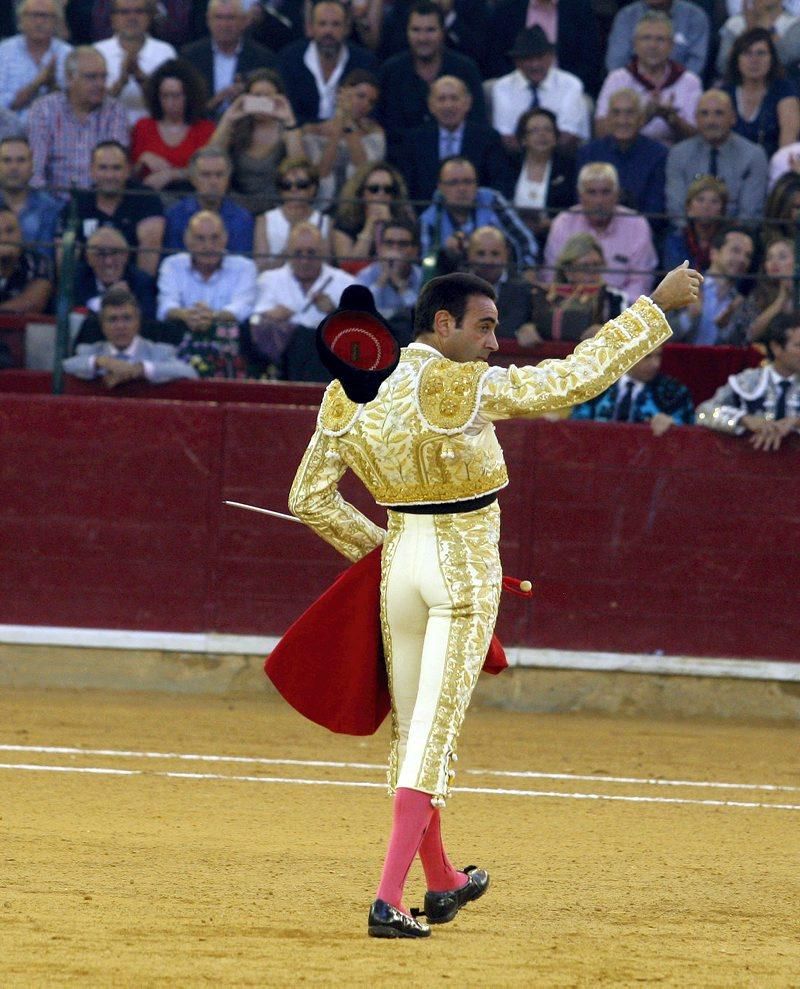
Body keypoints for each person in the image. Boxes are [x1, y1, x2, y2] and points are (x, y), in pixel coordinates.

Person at [286, 261, 702, 939]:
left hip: (401, 568)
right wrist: (653, 308)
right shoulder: (459, 384)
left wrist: (379, 553)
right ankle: (388, 899)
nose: (494, 342)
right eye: (485, 326)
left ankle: (442, 877)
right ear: (443, 324)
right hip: (461, 572)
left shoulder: (348, 392)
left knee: (414, 729)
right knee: (434, 734)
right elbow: (574, 378)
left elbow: (308, 499)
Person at [377, 0, 486, 158]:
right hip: (403, 163)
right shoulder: (390, 72)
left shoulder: (465, 70)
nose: (422, 38)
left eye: (430, 30)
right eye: (416, 30)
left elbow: (477, 124)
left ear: (443, 32)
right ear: (406, 32)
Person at [251, 221, 355, 380]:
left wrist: (334, 312)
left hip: (328, 364)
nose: (304, 261)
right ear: (288, 252)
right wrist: (270, 316)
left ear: (324, 252)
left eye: (311, 253)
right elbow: (254, 322)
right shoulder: (269, 280)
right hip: (282, 362)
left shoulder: (347, 284)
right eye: (298, 253)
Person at [543, 163, 658, 300]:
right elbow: (552, 277)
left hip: (622, 311)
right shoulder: (563, 223)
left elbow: (640, 284)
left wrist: (612, 305)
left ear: (617, 195)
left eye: (606, 192)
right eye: (592, 192)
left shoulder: (637, 225)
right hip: (570, 306)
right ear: (580, 195)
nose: (599, 201)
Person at [27, 46, 130, 196]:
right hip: (53, 202)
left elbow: (115, 170)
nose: (100, 84)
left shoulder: (115, 111)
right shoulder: (44, 109)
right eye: (91, 77)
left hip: (99, 202)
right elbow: (36, 171)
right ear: (70, 78)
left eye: (103, 77)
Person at [398, 75, 512, 204]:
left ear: (468, 103)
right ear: (430, 105)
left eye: (454, 98)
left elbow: (499, 184)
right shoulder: (415, 140)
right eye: (441, 99)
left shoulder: (488, 138)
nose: (448, 105)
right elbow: (407, 185)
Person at [58, 140, 165, 277]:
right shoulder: (77, 204)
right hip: (87, 287)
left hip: (132, 287)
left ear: (128, 170)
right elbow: (65, 257)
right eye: (103, 168)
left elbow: (151, 245)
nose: (109, 175)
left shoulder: (145, 198)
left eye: (116, 168)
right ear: (92, 171)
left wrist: (137, 292)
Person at [595, 12, 701, 149]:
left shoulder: (689, 81)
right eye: (646, 38)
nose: (653, 45)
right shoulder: (617, 79)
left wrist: (672, 119)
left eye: (660, 39)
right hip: (627, 152)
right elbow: (601, 132)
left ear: (672, 45)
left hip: (675, 155)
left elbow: (699, 137)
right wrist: (645, 116)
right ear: (634, 44)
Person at [696, 311, 800, 450]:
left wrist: (797, 422)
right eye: (798, 345)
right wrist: (744, 420)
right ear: (776, 348)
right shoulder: (749, 381)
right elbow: (703, 412)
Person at [419, 157, 539, 275]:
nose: (462, 189)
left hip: (498, 285)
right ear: (440, 187)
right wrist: (445, 254)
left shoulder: (492, 201)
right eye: (453, 183)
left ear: (477, 184)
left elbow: (526, 241)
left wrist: (527, 271)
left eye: (468, 182)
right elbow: (425, 267)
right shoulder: (429, 220)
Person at [209, 68, 305, 216]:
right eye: (257, 96)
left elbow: (300, 169)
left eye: (268, 96)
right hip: (235, 207)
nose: (262, 101)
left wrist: (289, 120)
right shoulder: (236, 127)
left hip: (276, 209)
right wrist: (229, 117)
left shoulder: (287, 130)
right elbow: (209, 158)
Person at [665, 89, 769, 223]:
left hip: (737, 235)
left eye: (719, 113)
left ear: (733, 118)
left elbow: (749, 214)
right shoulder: (678, 154)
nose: (711, 121)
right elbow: (676, 210)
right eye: (704, 114)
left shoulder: (754, 155)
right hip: (687, 235)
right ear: (696, 119)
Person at [63, 285, 198, 386]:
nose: (120, 326)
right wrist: (103, 362)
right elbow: (64, 367)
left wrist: (140, 369)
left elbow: (190, 372)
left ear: (138, 322)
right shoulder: (88, 350)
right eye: (112, 319)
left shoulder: (159, 351)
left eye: (127, 318)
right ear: (102, 325)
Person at [490, 27, 590, 155]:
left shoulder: (571, 84)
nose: (535, 65)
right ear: (517, 61)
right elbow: (505, 137)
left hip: (561, 159)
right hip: (515, 161)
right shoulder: (502, 87)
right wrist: (532, 162)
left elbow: (568, 136)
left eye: (540, 57)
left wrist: (541, 160)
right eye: (528, 58)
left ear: (551, 57)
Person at [276, 0, 377, 127]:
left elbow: (370, 113)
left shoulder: (364, 62)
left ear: (346, 28)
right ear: (311, 27)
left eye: (336, 24)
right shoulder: (289, 58)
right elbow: (285, 109)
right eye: (322, 24)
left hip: (349, 137)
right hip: (300, 136)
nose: (328, 31)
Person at [578, 89, 668, 220]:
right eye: (616, 113)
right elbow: (581, 201)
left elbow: (655, 209)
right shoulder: (588, 153)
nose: (622, 120)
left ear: (642, 119)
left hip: (641, 231)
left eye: (630, 113)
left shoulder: (659, 155)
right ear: (608, 119)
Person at [484, 0, 604, 98]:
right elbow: (495, 56)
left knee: (585, 103)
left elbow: (590, 59)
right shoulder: (508, 8)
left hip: (564, 88)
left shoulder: (579, 8)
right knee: (489, 88)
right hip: (516, 85)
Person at [523, 233, 627, 345]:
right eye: (585, 266)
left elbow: (625, 338)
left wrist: (607, 334)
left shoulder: (614, 298)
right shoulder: (542, 296)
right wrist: (525, 329)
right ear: (568, 271)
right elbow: (516, 327)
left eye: (597, 265)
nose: (593, 272)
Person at [302, 68, 385, 207]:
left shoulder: (374, 133)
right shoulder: (313, 131)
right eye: (360, 96)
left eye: (371, 102)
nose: (365, 105)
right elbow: (321, 173)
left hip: (358, 206)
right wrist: (339, 121)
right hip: (321, 206)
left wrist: (348, 123)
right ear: (340, 93)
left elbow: (364, 171)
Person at [180, 0, 276, 120]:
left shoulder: (263, 58)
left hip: (246, 130)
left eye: (231, 18)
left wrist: (245, 98)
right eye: (218, 17)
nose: (224, 24)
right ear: (208, 21)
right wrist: (216, 101)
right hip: (201, 128)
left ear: (244, 21)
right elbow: (181, 106)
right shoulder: (190, 56)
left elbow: (271, 104)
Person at [130, 58, 215, 192]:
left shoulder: (205, 129)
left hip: (190, 198)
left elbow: (211, 170)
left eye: (176, 96)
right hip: (149, 198)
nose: (170, 102)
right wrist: (142, 160)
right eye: (165, 96)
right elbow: (128, 175)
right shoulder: (143, 127)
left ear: (189, 96)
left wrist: (172, 175)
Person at [571, 345, 695, 432]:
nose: (655, 364)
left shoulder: (675, 391)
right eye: (647, 356)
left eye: (658, 355)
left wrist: (673, 425)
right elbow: (577, 429)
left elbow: (689, 433)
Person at [94, 0, 177, 126]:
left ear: (149, 17)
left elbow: (173, 104)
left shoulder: (165, 52)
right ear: (113, 19)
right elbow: (89, 104)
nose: (132, 18)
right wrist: (121, 83)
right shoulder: (97, 52)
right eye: (124, 12)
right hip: (105, 128)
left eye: (139, 11)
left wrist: (141, 79)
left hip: (154, 130)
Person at [722, 27, 800, 161]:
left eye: (761, 53)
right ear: (737, 59)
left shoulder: (784, 90)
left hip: (771, 168)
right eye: (747, 53)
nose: (754, 60)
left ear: (772, 59)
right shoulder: (724, 93)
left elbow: (787, 146)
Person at [669, 225, 755, 345]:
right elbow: (657, 337)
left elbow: (741, 346)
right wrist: (689, 317)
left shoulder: (742, 302)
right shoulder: (684, 285)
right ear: (714, 253)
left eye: (747, 256)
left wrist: (725, 328)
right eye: (735, 251)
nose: (742, 259)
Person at [163, 146, 254, 254]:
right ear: (193, 179)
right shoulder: (174, 216)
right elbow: (173, 261)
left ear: (228, 179)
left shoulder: (242, 218)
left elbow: (242, 263)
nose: (213, 182)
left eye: (219, 175)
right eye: (206, 175)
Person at [511, 108, 577, 253]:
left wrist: (552, 223)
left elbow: (574, 208)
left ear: (555, 137)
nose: (542, 134)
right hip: (512, 239)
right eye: (534, 130)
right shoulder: (509, 166)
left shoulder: (569, 168)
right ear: (523, 139)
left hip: (555, 238)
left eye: (547, 130)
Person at [332, 161, 416, 272]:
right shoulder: (345, 220)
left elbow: (408, 262)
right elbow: (348, 267)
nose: (381, 194)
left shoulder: (404, 217)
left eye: (388, 189)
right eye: (374, 189)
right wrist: (370, 226)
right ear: (361, 192)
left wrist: (389, 226)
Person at [0, 0, 72, 126]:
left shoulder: (68, 55)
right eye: (33, 15)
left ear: (57, 22)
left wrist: (52, 84)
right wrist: (37, 83)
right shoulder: (3, 52)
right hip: (8, 134)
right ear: (20, 20)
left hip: (57, 132)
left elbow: (76, 107)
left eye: (45, 16)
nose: (39, 22)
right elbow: (3, 106)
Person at [253, 157, 332, 271]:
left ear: (313, 189)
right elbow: (261, 268)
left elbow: (326, 267)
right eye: (287, 185)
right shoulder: (265, 220)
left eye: (301, 185)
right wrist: (291, 249)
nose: (293, 189)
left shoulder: (324, 221)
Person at [355, 216, 423, 343]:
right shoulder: (365, 276)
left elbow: (422, 319)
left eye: (402, 244)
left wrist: (399, 284)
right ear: (380, 249)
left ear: (415, 251)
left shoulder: (422, 277)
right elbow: (358, 313)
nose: (395, 249)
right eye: (389, 243)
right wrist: (381, 280)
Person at [464, 225, 537, 341]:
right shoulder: (454, 286)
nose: (488, 261)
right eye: (481, 254)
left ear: (506, 254)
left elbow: (512, 326)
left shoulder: (522, 289)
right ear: (469, 254)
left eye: (495, 254)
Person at [605, 0, 710, 79]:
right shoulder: (627, 16)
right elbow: (616, 63)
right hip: (632, 90)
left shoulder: (695, 16)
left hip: (681, 89)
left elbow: (696, 63)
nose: (653, 45)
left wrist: (672, 85)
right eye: (646, 38)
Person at [72, 225, 157, 321]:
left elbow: (148, 319)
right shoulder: (76, 278)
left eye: (115, 253)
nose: (108, 261)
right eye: (100, 254)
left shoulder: (141, 281)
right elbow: (70, 317)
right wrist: (107, 299)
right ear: (88, 258)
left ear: (126, 256)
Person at [0, 136, 62, 259]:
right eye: (7, 160)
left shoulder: (50, 208)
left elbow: (46, 257)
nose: (14, 167)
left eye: (21, 160)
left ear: (32, 166)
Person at [728, 235, 796, 343]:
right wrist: (781, 299)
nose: (773, 262)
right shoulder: (756, 295)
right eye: (769, 258)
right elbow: (749, 336)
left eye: (782, 257)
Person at [662, 175, 728, 272]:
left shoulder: (729, 242)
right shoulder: (676, 240)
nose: (706, 206)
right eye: (700, 200)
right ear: (688, 207)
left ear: (722, 210)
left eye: (714, 201)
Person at [0, 207, 52, 313]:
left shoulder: (40, 262)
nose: (4, 238)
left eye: (10, 231)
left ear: (21, 233)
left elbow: (32, 304)